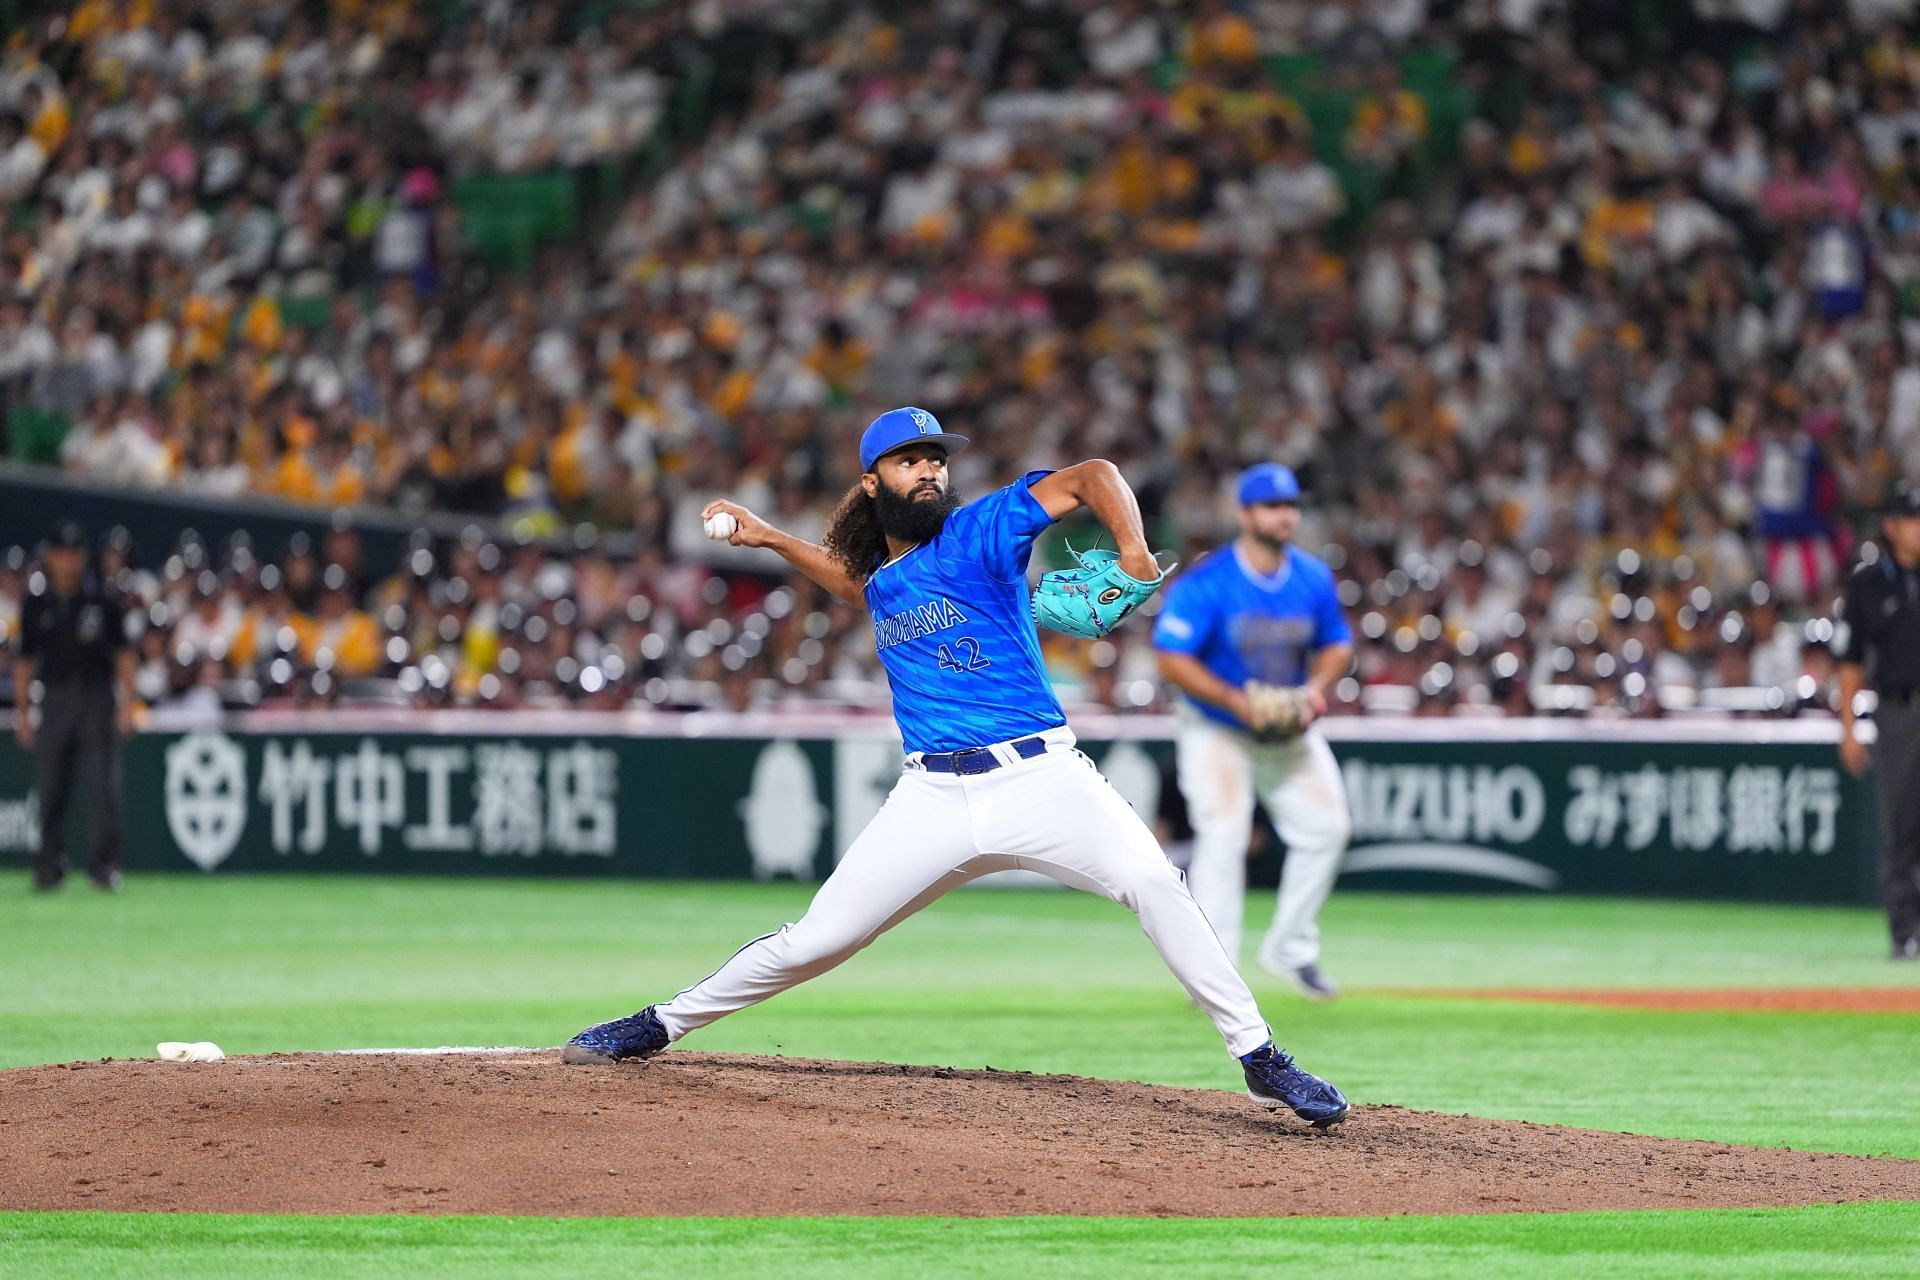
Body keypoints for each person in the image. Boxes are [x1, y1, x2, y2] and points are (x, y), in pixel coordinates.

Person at [563, 408, 1349, 1126]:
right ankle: (661, 1023)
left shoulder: (982, 529)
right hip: (932, 794)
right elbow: (851, 583)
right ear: (873, 483)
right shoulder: (886, 578)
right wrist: (767, 536)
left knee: (1152, 883)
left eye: (936, 458)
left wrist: (1134, 552)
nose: (931, 470)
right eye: (910, 461)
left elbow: (1094, 477)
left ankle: (1258, 1056)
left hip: (1042, 777)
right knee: (815, 942)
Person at [1151, 464, 1355, 1000]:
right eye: (1272, 505)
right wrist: (1234, 700)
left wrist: (1315, 688)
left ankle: (1290, 949)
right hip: (1217, 726)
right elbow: (1172, 658)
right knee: (1224, 834)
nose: (1285, 514)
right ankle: (1212, 975)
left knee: (1327, 828)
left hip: (1285, 724)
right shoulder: (1211, 581)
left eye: (1291, 504)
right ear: (1245, 514)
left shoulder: (1311, 576)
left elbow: (1337, 643)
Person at [12, 521, 135, 891]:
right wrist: (23, 712)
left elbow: (124, 654)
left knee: (102, 787)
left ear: (83, 556)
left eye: (74, 553)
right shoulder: (36, 600)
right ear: (49, 556)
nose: (68, 562)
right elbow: (24, 660)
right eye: (61, 554)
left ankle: (104, 866)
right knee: (50, 787)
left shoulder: (103, 597)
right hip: (54, 698)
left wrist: (128, 704)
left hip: (96, 696)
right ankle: (48, 865)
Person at [1836, 481, 1920, 959]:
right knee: (1902, 825)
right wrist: (1848, 729)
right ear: (1891, 527)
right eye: (1913, 519)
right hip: (1897, 712)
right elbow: (1849, 663)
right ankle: (1905, 931)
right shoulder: (1869, 585)